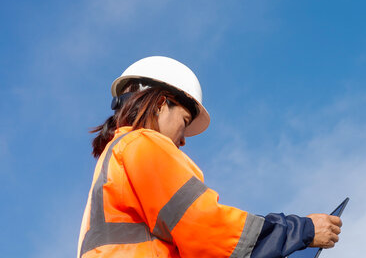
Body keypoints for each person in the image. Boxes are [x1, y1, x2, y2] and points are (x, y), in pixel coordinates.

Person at [77, 56, 342, 258]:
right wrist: (302, 231)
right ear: (160, 104)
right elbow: (206, 228)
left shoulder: (117, 157)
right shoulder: (143, 145)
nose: (182, 140)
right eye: (184, 120)